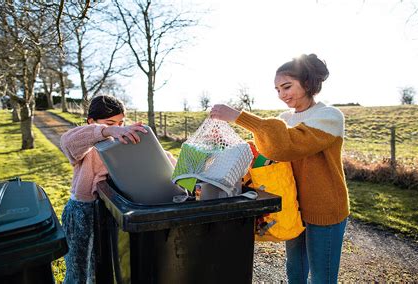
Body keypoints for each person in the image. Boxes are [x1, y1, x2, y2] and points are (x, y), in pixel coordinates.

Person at [210, 54, 349, 283]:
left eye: (286, 87)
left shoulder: (329, 116)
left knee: (322, 278)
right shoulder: (285, 118)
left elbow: (286, 145)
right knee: (295, 272)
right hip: (293, 207)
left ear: (307, 83)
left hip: (325, 209)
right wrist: (224, 139)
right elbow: (266, 150)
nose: (282, 95)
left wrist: (238, 116)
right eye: (277, 90)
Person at [60, 95, 176, 284]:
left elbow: (160, 157)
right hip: (82, 212)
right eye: (111, 122)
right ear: (92, 122)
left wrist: (185, 170)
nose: (119, 127)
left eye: (121, 122)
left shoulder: (122, 141)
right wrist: (108, 130)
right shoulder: (88, 145)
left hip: (109, 213)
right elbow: (67, 142)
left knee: (102, 270)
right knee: (78, 272)